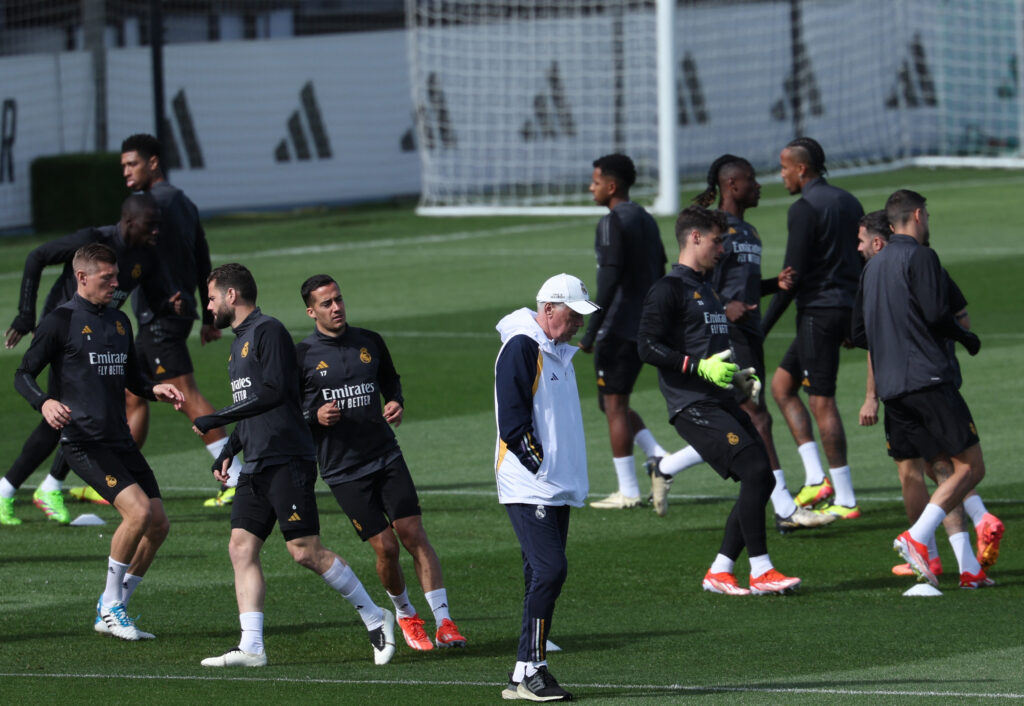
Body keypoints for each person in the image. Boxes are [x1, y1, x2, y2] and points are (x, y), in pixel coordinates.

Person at [193, 263, 395, 667]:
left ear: (232, 296)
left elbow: (274, 393)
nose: (209, 306)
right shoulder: (238, 343)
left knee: (304, 551)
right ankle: (251, 647)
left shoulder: (268, 332)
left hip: (288, 458)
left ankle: (376, 616)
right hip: (257, 460)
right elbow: (256, 407)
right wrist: (232, 446)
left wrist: (217, 419)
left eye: (212, 297)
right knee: (240, 546)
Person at [647, 154, 834, 533]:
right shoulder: (716, 229)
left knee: (736, 423)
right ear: (731, 185)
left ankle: (664, 466)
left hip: (750, 331)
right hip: (723, 336)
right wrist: (725, 305)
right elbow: (697, 280)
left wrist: (771, 285)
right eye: (751, 179)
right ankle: (784, 508)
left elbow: (738, 286)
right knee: (756, 418)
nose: (759, 184)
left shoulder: (748, 232)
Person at [14, 243, 185, 639]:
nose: (116, 283)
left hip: (119, 441)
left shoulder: (120, 323)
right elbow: (23, 373)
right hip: (82, 443)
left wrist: (154, 389)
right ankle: (111, 606)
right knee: (138, 513)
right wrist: (44, 403)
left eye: (116, 276)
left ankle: (114, 605)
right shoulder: (60, 322)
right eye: (107, 278)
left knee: (158, 525)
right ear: (82, 277)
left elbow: (132, 379)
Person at [296, 274, 466, 652]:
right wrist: (314, 415)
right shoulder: (302, 356)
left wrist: (396, 401)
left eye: (339, 299)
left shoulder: (369, 341)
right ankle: (406, 614)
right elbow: (290, 410)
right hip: (343, 471)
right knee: (386, 547)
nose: (337, 307)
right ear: (311, 311)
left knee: (414, 534)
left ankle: (444, 621)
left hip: (386, 456)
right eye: (326, 303)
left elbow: (391, 381)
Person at [638, 206, 800, 597]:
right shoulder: (668, 288)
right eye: (716, 240)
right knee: (756, 472)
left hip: (720, 399)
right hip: (692, 404)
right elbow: (646, 346)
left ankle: (721, 570)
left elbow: (715, 348)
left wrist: (740, 379)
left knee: (761, 478)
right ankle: (761, 570)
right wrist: (698, 367)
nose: (722, 249)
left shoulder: (707, 288)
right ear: (694, 238)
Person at [1, 194, 180, 526]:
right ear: (129, 222)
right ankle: (20, 489)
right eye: (150, 223)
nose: (156, 230)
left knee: (75, 413)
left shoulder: (144, 256)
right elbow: (37, 256)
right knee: (66, 413)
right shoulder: (91, 242)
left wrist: (171, 306)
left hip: (102, 330)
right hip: (67, 331)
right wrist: (26, 314)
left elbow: (153, 299)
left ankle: (28, 487)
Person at [855, 209, 1001, 587]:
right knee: (958, 468)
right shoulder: (919, 262)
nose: (858, 249)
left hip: (898, 389)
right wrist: (963, 340)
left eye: (860, 241)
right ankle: (938, 547)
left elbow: (860, 335)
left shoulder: (874, 273)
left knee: (937, 470)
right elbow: (952, 318)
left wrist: (874, 390)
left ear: (879, 239)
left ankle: (951, 560)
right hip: (928, 382)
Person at [118, 134, 241, 507]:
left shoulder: (151, 205)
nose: (125, 173)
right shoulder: (183, 201)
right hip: (174, 311)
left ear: (153, 162)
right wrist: (207, 314)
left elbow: (153, 257)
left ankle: (235, 477)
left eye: (132, 164)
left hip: (161, 314)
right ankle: (117, 481)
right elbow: (201, 255)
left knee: (184, 394)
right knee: (132, 393)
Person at [494, 273, 596, 701]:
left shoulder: (555, 350)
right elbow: (513, 421)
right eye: (574, 315)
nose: (579, 324)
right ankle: (533, 669)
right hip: (532, 484)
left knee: (540, 573)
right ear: (550, 309)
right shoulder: (522, 347)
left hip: (555, 486)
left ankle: (523, 672)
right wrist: (539, 467)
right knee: (550, 570)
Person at [761, 137, 864, 520]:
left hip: (818, 313)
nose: (781, 175)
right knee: (782, 386)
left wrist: (762, 327)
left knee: (821, 399)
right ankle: (817, 477)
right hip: (845, 308)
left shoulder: (804, 209)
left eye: (784, 167)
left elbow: (793, 278)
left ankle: (846, 497)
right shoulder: (849, 201)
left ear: (801, 169)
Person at [580, 154, 671, 510]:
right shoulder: (646, 219)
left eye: (595, 181)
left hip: (619, 328)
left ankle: (628, 491)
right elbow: (661, 267)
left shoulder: (611, 222)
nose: (591, 187)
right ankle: (657, 455)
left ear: (611, 186)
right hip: (647, 324)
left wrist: (591, 330)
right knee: (611, 403)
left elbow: (608, 280)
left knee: (614, 405)